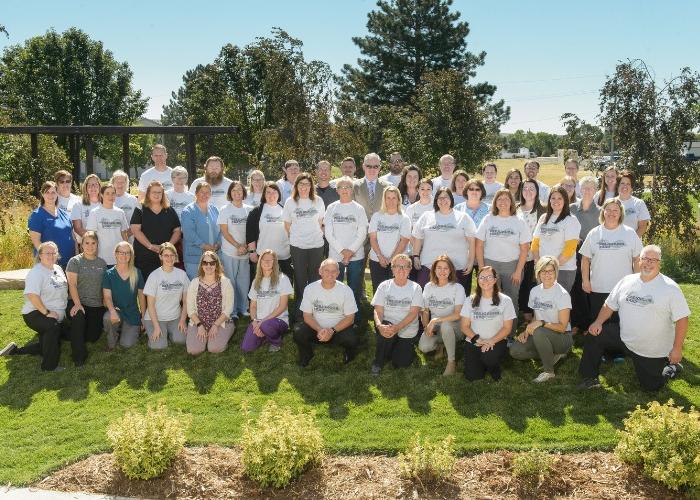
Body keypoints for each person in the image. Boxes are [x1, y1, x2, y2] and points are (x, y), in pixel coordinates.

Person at [578, 245, 690, 391]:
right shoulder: (627, 281)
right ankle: (590, 378)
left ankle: (671, 369)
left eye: (653, 260)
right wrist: (598, 322)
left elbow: (682, 319)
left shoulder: (670, 288)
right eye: (645, 258)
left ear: (659, 263)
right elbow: (609, 304)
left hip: (650, 349)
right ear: (639, 261)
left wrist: (676, 349)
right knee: (595, 333)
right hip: (624, 337)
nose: (648, 263)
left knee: (651, 387)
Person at [2, 242, 69, 371]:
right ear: (40, 255)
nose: (51, 255)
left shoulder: (58, 268)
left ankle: (14, 351)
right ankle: (49, 367)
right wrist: (47, 312)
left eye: (54, 253)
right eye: (47, 253)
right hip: (35, 313)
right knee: (52, 328)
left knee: (52, 343)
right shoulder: (36, 272)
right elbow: (32, 295)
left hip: (54, 313)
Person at [509, 256, 573, 383]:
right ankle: (551, 354)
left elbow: (562, 327)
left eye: (551, 271)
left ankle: (549, 371)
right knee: (515, 351)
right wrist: (526, 331)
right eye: (543, 271)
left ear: (556, 272)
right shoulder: (534, 291)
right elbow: (535, 317)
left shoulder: (562, 294)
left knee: (538, 331)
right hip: (542, 332)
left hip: (562, 336)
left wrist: (542, 323)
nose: (547, 274)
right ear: (538, 273)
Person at [475, 189, 530, 335]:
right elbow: (479, 245)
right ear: (495, 202)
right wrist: (482, 268)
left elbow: (525, 249)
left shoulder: (518, 221)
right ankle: (493, 331)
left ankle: (510, 334)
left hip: (512, 266)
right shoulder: (488, 219)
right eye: (500, 199)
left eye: (506, 199)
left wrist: (518, 271)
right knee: (491, 298)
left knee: (511, 300)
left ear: (511, 202)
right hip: (490, 264)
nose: (503, 202)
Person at [580, 198, 642, 326]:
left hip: (623, 289)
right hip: (598, 287)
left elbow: (637, 259)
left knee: (621, 325)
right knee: (598, 324)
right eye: (608, 209)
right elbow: (585, 259)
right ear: (603, 212)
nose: (611, 213)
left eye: (615, 210)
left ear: (621, 213)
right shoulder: (594, 233)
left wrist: (638, 282)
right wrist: (585, 280)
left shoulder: (630, 233)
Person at [293, 259, 359, 367]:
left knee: (353, 338)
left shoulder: (346, 290)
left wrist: (332, 331)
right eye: (326, 270)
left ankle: (348, 354)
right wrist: (319, 329)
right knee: (298, 332)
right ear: (320, 271)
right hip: (316, 330)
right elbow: (307, 316)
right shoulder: (310, 288)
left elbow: (350, 318)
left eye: (334, 271)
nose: (330, 274)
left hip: (338, 331)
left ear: (338, 273)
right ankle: (307, 355)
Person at [370, 254, 424, 375]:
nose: (401, 269)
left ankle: (399, 347)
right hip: (387, 326)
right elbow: (378, 310)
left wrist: (397, 328)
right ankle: (378, 363)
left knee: (401, 364)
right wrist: (379, 325)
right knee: (386, 329)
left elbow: (413, 313)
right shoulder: (384, 286)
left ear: (410, 269)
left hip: (407, 329)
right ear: (392, 269)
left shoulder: (416, 288)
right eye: (398, 266)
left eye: (405, 267)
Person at [283, 172, 326, 322]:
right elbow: (287, 225)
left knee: (315, 278)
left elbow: (321, 222)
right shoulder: (290, 202)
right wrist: (298, 236)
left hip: (316, 245)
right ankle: (299, 315)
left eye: (307, 184)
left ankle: (314, 312)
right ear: (296, 186)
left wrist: (314, 235)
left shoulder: (318, 201)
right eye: (301, 184)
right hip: (298, 245)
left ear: (311, 186)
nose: (304, 187)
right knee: (300, 279)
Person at [413, 187, 476, 290]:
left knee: (455, 300)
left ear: (451, 199)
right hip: (429, 265)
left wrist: (470, 261)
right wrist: (416, 256)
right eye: (440, 198)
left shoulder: (463, 217)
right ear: (436, 200)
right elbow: (418, 237)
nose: (443, 200)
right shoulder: (426, 216)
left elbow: (472, 241)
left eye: (446, 197)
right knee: (425, 297)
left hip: (457, 267)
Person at [461, 266, 516, 381]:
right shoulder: (469, 300)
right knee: (473, 377)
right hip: (475, 341)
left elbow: (507, 328)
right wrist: (477, 340)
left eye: (489, 277)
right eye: (482, 277)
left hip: (496, 341)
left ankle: (494, 368)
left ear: (495, 280)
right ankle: (483, 362)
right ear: (477, 280)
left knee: (488, 358)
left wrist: (491, 341)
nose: (485, 280)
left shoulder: (505, 300)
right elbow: (464, 326)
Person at [324, 176, 369, 309]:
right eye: (341, 187)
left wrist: (350, 251)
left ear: (352, 190)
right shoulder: (331, 208)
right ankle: (335, 313)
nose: (345, 190)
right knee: (333, 287)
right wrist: (342, 251)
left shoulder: (359, 208)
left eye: (348, 187)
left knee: (354, 289)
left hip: (356, 256)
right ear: (337, 190)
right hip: (335, 256)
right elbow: (328, 233)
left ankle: (355, 318)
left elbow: (362, 233)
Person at [418, 255, 466, 375]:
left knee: (445, 325)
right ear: (434, 270)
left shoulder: (457, 287)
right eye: (439, 268)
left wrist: (434, 321)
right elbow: (425, 310)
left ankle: (451, 362)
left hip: (455, 326)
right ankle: (441, 346)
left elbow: (458, 314)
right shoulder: (429, 287)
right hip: (437, 325)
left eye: (446, 268)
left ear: (450, 271)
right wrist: (426, 326)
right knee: (424, 347)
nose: (442, 271)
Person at [65, 231, 107, 366]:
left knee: (92, 337)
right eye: (87, 243)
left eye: (93, 243)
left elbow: (103, 287)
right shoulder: (75, 261)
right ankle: (79, 357)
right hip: (78, 302)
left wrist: (106, 303)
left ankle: (61, 330)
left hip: (96, 305)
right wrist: (77, 304)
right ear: (82, 245)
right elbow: (72, 284)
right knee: (79, 319)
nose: (90, 246)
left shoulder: (102, 263)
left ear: (97, 244)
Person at [241, 249, 293, 353]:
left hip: (278, 319)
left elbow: (282, 306)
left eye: (270, 260)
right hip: (259, 321)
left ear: (275, 262)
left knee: (266, 325)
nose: (267, 262)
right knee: (247, 347)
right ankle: (265, 335)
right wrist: (254, 321)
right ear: (260, 262)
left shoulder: (283, 279)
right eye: (264, 260)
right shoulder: (256, 281)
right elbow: (253, 306)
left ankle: (276, 341)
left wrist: (262, 322)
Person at [531, 186, 581, 292]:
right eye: (553, 198)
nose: (556, 201)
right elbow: (535, 243)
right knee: (543, 302)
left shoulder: (571, 220)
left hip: (563, 270)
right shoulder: (543, 218)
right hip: (543, 269)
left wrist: (552, 268)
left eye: (560, 198)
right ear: (549, 200)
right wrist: (538, 262)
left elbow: (570, 249)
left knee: (559, 304)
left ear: (565, 201)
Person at [130, 180, 182, 281]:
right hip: (144, 256)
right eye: (154, 192)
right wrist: (150, 246)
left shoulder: (169, 210)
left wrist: (167, 247)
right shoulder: (140, 209)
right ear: (148, 193)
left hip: (165, 257)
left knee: (165, 285)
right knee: (145, 286)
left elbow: (177, 230)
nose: (157, 195)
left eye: (159, 192)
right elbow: (136, 230)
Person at [185, 251, 235, 355]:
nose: (208, 266)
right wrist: (199, 325)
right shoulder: (194, 282)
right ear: (201, 264)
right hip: (198, 321)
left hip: (220, 322)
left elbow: (228, 309)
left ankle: (225, 332)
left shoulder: (225, 282)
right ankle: (206, 337)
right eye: (205, 263)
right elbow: (190, 309)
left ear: (217, 264)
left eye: (212, 263)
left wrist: (216, 325)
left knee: (214, 348)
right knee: (194, 350)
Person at [568, 176, 601, 333]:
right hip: (574, 254)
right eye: (584, 188)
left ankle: (590, 323)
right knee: (576, 288)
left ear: (595, 191)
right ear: (579, 190)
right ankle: (575, 323)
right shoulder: (571, 208)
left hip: (594, 256)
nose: (587, 191)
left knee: (590, 289)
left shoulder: (601, 211)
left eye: (591, 188)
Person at [143, 243, 189, 350]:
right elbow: (150, 305)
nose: (169, 258)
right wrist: (156, 326)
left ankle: (168, 332)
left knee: (181, 340)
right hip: (155, 318)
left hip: (175, 317)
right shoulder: (154, 276)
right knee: (159, 346)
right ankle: (155, 331)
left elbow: (186, 301)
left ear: (175, 256)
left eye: (172, 255)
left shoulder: (182, 274)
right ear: (160, 257)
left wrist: (182, 320)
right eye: (166, 255)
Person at [218, 180, 253, 320]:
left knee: (244, 281)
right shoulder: (224, 210)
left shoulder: (249, 209)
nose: (237, 193)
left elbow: (251, 231)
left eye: (239, 190)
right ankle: (231, 311)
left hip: (245, 251)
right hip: (229, 252)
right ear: (230, 193)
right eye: (234, 190)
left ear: (244, 192)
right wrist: (238, 246)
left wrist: (245, 247)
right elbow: (225, 233)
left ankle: (243, 308)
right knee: (230, 281)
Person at [102, 242, 145, 350]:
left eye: (127, 253)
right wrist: (112, 311)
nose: (124, 255)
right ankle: (112, 341)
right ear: (115, 254)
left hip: (132, 313)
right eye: (121, 252)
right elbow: (107, 297)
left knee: (127, 344)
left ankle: (127, 329)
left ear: (131, 255)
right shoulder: (109, 274)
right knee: (107, 318)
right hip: (116, 311)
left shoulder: (136, 272)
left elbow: (141, 297)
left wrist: (143, 317)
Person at [246, 182, 293, 281]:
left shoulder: (286, 210)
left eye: (274, 191)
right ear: (264, 194)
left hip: (283, 256)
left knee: (283, 286)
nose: (271, 195)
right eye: (268, 192)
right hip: (263, 257)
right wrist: (252, 252)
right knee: (263, 287)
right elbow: (250, 233)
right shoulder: (256, 212)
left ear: (279, 194)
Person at [367, 186, 411, 293]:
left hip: (397, 261)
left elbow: (404, 241)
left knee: (395, 292)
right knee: (378, 290)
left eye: (394, 198)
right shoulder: (377, 216)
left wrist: (392, 259)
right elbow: (373, 238)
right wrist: (380, 256)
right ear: (384, 199)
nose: (391, 201)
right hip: (377, 259)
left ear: (398, 200)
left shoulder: (404, 218)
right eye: (388, 198)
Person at [516, 179, 546, 322]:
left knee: (533, 284)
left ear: (537, 191)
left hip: (537, 255)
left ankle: (532, 314)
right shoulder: (515, 209)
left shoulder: (544, 210)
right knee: (520, 285)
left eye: (531, 188)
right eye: (525, 188)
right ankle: (522, 312)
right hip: (518, 254)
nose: (528, 191)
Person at [28, 181, 75, 269]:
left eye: (53, 192)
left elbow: (73, 238)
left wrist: (76, 256)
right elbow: (36, 242)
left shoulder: (64, 214)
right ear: (42, 194)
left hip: (69, 263)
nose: (50, 195)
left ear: (57, 194)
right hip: (48, 264)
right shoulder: (37, 215)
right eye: (47, 192)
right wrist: (51, 259)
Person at [181, 182, 221, 280]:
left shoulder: (214, 209)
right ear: (196, 193)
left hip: (212, 257)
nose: (205, 195)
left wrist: (218, 243)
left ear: (211, 194)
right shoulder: (188, 211)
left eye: (208, 192)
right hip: (195, 258)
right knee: (195, 288)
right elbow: (189, 233)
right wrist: (204, 245)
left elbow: (221, 229)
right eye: (202, 192)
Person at [86, 184, 129, 266]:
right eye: (107, 193)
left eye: (113, 193)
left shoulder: (120, 212)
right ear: (101, 195)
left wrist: (127, 252)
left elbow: (124, 234)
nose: (111, 196)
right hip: (101, 257)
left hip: (119, 257)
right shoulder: (95, 212)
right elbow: (91, 236)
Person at [353, 152, 390, 227]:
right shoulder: (355, 186)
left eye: (375, 166)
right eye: (369, 166)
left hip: (381, 230)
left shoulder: (387, 187)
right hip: (360, 230)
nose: (372, 169)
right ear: (363, 167)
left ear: (379, 168)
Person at [616, 170, 650, 239]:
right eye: (622, 183)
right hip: (613, 245)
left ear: (631, 187)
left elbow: (643, 227)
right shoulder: (611, 203)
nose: (625, 186)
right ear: (618, 186)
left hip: (633, 245)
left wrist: (631, 242)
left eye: (628, 184)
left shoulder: (639, 203)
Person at [71, 174, 102, 242]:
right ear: (86, 188)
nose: (93, 187)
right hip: (87, 245)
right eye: (90, 185)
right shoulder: (78, 205)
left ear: (99, 187)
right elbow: (78, 228)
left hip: (105, 243)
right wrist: (93, 241)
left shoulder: (105, 204)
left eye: (95, 184)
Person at [111, 170, 139, 243]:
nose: (120, 185)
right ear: (113, 183)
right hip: (111, 240)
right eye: (117, 182)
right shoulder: (107, 199)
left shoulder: (133, 200)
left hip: (129, 240)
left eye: (122, 182)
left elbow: (138, 221)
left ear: (126, 183)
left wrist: (126, 235)